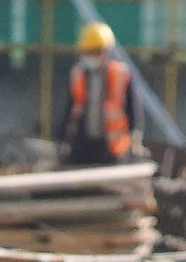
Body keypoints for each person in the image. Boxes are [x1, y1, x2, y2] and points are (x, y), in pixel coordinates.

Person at [57, 23, 136, 168]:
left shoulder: (121, 74)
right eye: (87, 52)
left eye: (93, 52)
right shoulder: (78, 74)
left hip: (112, 149)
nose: (89, 57)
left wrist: (135, 139)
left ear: (105, 51)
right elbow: (69, 109)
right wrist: (62, 138)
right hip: (82, 146)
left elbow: (132, 110)